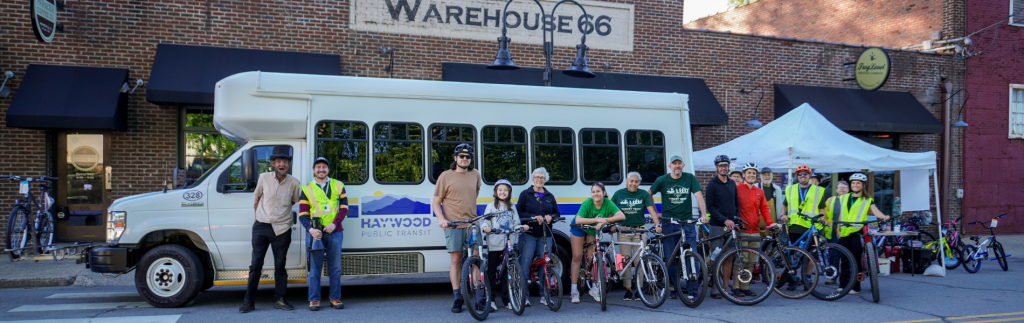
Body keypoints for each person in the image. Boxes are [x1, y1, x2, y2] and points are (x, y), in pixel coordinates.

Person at [240, 145, 301, 313]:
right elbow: (257, 197)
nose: (282, 164)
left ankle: (280, 300)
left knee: (280, 266)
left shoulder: (294, 182)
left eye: (285, 162)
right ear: (273, 163)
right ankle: (249, 302)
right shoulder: (263, 177)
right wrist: (257, 217)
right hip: (261, 226)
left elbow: (294, 201)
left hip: (282, 229)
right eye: (279, 161)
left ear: (288, 165)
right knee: (255, 265)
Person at [432, 143, 483, 313]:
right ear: (455, 158)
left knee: (476, 259)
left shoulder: (475, 174)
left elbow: (473, 195)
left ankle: (480, 296)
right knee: (456, 259)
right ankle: (457, 297)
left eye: (468, 157)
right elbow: (436, 201)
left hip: (472, 224)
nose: (465, 159)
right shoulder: (445, 176)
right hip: (453, 224)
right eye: (461, 156)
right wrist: (441, 219)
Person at [648, 155, 707, 300]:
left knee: (691, 256)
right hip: (669, 224)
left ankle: (693, 289)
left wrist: (703, 214)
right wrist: (655, 212)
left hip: (687, 223)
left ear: (683, 165)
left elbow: (699, 196)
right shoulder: (662, 180)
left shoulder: (690, 178)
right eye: (674, 164)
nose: (677, 166)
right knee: (671, 257)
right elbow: (648, 194)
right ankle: (674, 287)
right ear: (670, 167)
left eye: (679, 163)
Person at [825, 173, 890, 295]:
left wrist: (884, 217)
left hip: (857, 231)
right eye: (853, 183)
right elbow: (840, 214)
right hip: (844, 231)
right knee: (844, 259)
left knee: (855, 259)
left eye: (858, 183)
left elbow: (876, 212)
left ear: (863, 185)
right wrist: (838, 229)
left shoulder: (867, 199)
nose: (855, 185)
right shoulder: (843, 197)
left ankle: (856, 286)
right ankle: (843, 284)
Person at [298, 157, 348, 311]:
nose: (321, 170)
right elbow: (303, 214)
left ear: (328, 169)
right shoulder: (306, 188)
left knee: (336, 268)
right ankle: (314, 300)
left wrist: (334, 224)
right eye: (318, 167)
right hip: (315, 233)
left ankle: (335, 298)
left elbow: (344, 208)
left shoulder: (338, 185)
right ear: (314, 170)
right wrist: (310, 229)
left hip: (334, 232)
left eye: (324, 167)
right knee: (315, 268)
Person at [730, 163, 782, 296]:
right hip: (742, 230)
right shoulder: (737, 189)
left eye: (753, 173)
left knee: (752, 261)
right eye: (749, 173)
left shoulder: (759, 191)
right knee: (741, 260)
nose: (751, 175)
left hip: (755, 230)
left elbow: (764, 208)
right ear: (744, 175)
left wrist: (771, 222)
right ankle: (735, 287)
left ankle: (745, 287)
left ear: (756, 175)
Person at [570, 183, 626, 304]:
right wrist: (597, 220)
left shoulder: (608, 203)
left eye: (598, 191)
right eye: (593, 191)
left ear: (603, 193)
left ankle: (595, 287)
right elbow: (579, 219)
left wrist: (606, 220)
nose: (595, 194)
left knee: (592, 258)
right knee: (577, 256)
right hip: (578, 227)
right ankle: (574, 290)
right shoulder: (587, 203)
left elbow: (621, 215)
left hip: (593, 229)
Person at [611, 172, 659, 301]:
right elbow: (610, 210)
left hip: (640, 231)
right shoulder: (619, 194)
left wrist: (657, 225)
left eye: (636, 181)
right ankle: (627, 290)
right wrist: (610, 223)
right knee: (625, 260)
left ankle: (638, 289)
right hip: (624, 231)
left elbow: (651, 210)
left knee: (639, 261)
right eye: (631, 181)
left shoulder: (643, 194)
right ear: (627, 182)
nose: (633, 184)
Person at [481, 179, 527, 311]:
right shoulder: (491, 206)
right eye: (500, 190)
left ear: (509, 192)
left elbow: (516, 222)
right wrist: (485, 228)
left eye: (505, 190)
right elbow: (486, 221)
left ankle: (507, 300)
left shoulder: (512, 207)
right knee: (492, 272)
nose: (502, 192)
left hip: (509, 243)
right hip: (495, 243)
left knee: (508, 272)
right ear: (495, 192)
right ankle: (491, 300)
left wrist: (521, 227)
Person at [515, 167, 559, 307]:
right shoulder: (525, 194)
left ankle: (545, 296)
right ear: (532, 179)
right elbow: (519, 213)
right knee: (525, 264)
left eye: (542, 177)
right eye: (537, 177)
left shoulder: (549, 196)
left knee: (545, 264)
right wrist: (533, 217)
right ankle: (524, 296)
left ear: (545, 180)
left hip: (545, 235)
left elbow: (556, 213)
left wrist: (550, 217)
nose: (539, 179)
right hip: (529, 234)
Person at [704, 154, 739, 299]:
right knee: (715, 257)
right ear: (716, 167)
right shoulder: (712, 184)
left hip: (731, 227)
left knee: (729, 257)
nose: (723, 168)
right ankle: (714, 286)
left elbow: (736, 205)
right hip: (717, 227)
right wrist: (724, 220)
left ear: (728, 167)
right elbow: (710, 207)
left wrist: (736, 220)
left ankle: (725, 286)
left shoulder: (732, 183)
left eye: (725, 165)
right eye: (721, 166)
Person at [780, 165, 828, 246]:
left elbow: (822, 208)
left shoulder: (817, 190)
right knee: (793, 254)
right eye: (800, 174)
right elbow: (784, 205)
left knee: (809, 255)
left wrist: (822, 217)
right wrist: (783, 215)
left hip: (810, 227)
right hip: (793, 227)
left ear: (809, 175)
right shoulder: (791, 189)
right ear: (797, 176)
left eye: (805, 173)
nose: (802, 175)